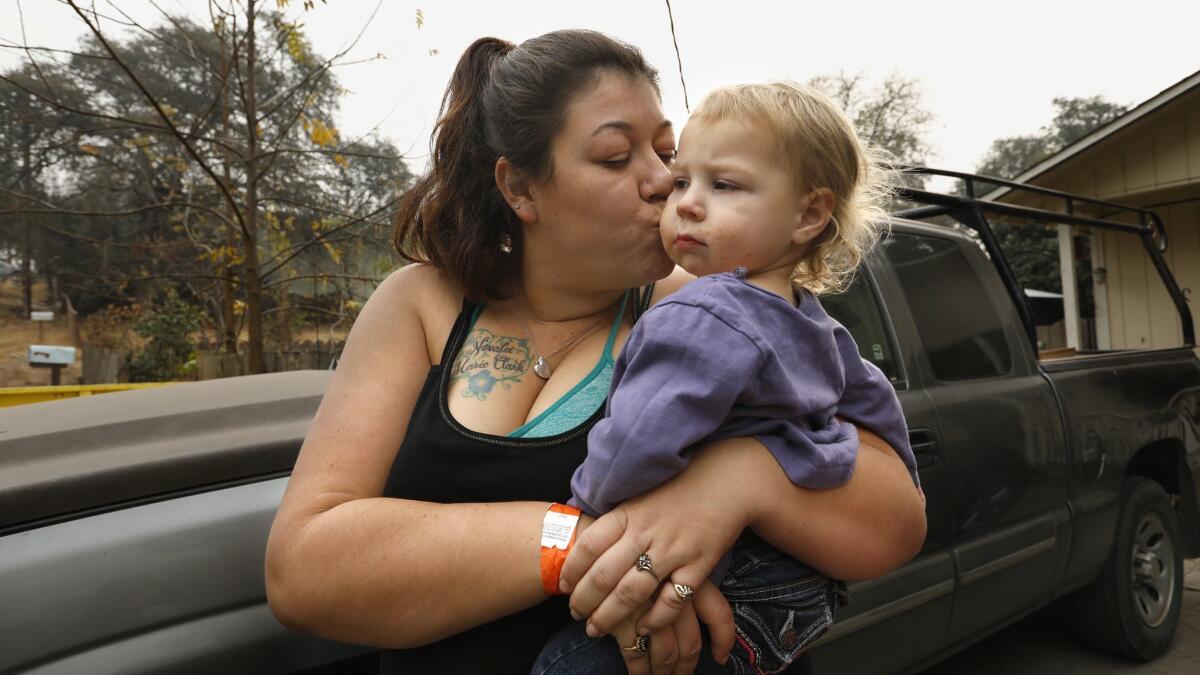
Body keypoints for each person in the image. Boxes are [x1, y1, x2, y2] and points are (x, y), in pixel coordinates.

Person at [264, 29, 926, 675]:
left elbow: (894, 519)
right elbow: (303, 572)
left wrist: (741, 479)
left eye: (667, 152)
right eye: (616, 157)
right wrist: (583, 546)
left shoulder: (716, 305)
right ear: (520, 188)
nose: (663, 182)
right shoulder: (421, 305)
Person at [531, 82, 921, 675]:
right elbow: (880, 417)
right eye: (683, 179)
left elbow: (638, 440)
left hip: (704, 585)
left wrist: (585, 513)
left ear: (809, 213)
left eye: (725, 185)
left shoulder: (701, 313)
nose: (683, 201)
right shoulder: (816, 323)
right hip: (792, 592)